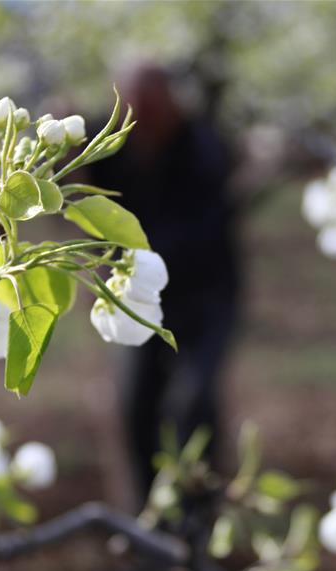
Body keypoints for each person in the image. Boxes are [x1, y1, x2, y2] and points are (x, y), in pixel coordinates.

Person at [90, 63, 241, 499]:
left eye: (153, 108)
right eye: (135, 109)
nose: (144, 121)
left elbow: (206, 224)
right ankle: (145, 514)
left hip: (205, 297)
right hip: (134, 296)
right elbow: (80, 180)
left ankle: (197, 508)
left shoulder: (203, 146)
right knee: (136, 404)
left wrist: (138, 248)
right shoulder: (112, 141)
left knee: (193, 400)